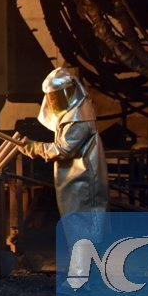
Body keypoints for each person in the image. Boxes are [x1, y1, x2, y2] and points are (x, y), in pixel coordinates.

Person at [20, 67, 109, 216]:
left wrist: (36, 148)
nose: (54, 101)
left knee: (86, 224)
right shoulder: (72, 112)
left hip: (83, 181)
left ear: (70, 90)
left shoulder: (79, 117)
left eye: (56, 96)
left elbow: (63, 149)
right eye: (51, 97)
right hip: (74, 180)